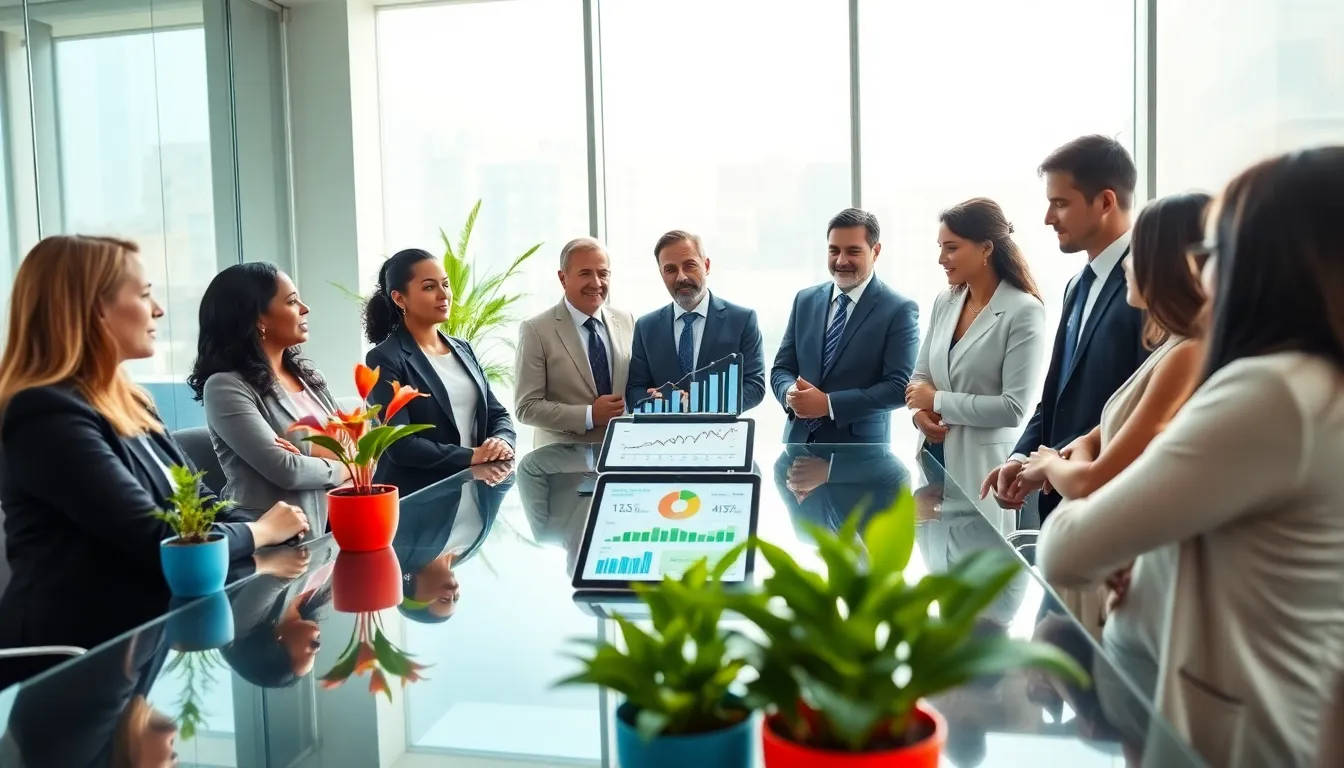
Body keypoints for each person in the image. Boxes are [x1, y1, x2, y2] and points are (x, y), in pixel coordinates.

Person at [1037, 146, 1344, 767]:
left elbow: (1066, 550)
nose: (1203, 276)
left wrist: (1110, 522)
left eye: (1213, 254)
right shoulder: (1313, 383)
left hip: (1219, 727)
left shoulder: (1272, 391)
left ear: (1259, 263)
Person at [0, 236, 307, 682]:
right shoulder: (43, 414)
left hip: (142, 641)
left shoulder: (130, 401)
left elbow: (198, 500)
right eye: (144, 295)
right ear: (94, 310)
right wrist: (259, 530)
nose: (158, 310)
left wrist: (277, 525)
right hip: (72, 661)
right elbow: (158, 536)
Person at [1018, 192, 1210, 640]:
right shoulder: (1170, 346)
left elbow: (1092, 479)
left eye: (1137, 252)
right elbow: (1099, 436)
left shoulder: (1187, 354)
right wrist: (1081, 447)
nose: (1127, 263)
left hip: (1124, 569)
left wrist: (1049, 463)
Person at [980, 135, 1149, 523]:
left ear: (1106, 202)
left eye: (1060, 204)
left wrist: (1062, 466)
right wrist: (1022, 457)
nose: (1047, 218)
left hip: (1113, 506)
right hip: (1061, 506)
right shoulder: (1077, 285)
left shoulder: (1149, 285)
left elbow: (1143, 406)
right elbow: (1058, 393)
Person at [905, 198, 1046, 533]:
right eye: (941, 247)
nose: (942, 259)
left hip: (982, 472)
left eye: (951, 248)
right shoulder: (947, 299)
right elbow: (920, 377)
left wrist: (936, 402)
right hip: (934, 464)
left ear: (986, 249)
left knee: (984, 576)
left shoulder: (1023, 311)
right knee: (938, 575)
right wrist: (918, 415)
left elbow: (1012, 408)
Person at [190, 262, 350, 533]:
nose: (305, 308)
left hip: (328, 533)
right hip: (271, 545)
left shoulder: (307, 376)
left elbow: (355, 444)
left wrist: (307, 454)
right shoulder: (225, 386)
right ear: (258, 319)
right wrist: (344, 466)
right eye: (291, 301)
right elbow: (288, 470)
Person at [363, 248, 516, 496]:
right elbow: (400, 444)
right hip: (420, 498)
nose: (444, 294)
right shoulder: (385, 358)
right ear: (400, 299)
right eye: (429, 287)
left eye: (445, 284)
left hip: (474, 489)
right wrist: (473, 455)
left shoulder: (462, 348)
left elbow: (497, 413)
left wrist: (502, 441)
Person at [771, 208, 920, 443]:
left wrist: (828, 404)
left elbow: (898, 387)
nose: (841, 261)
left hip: (859, 456)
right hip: (798, 445)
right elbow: (781, 369)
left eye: (853, 251)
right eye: (834, 250)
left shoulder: (899, 309)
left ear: (876, 251)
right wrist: (789, 393)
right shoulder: (805, 300)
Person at [625, 230, 766, 412]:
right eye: (670, 269)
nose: (681, 277)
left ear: (706, 266)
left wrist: (695, 403)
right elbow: (634, 390)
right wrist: (656, 400)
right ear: (661, 274)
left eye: (689, 265)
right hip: (663, 437)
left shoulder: (742, 320)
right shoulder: (646, 327)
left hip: (720, 435)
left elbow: (755, 386)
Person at [515, 237, 634, 446]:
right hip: (562, 464)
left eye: (603, 273)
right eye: (585, 273)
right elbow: (526, 407)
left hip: (620, 451)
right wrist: (589, 415)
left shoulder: (626, 320)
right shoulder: (536, 330)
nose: (597, 283)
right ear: (563, 278)